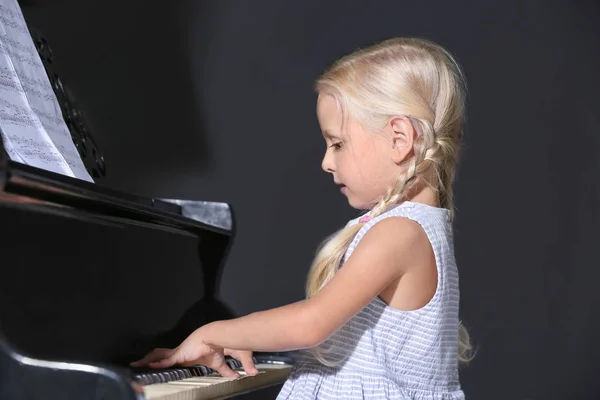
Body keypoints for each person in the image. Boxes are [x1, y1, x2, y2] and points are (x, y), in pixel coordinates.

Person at [132, 37, 474, 399]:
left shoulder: (400, 232)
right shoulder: (417, 227)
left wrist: (214, 333)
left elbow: (311, 324)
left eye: (337, 143)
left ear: (399, 139)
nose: (327, 162)